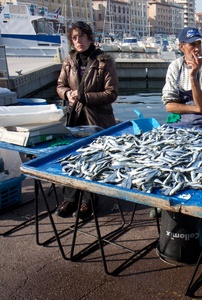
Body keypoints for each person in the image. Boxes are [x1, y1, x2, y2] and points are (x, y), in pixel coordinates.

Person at [55, 21, 119, 219]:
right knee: (71, 157)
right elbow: (60, 85)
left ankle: (88, 202)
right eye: (74, 38)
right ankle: (70, 199)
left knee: (94, 159)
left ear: (90, 38)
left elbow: (111, 93)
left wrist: (83, 96)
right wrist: (67, 95)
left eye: (81, 36)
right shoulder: (69, 60)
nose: (78, 41)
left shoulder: (104, 60)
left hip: (98, 119)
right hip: (75, 117)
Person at [162, 27, 202, 131]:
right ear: (181, 47)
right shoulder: (175, 66)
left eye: (199, 43)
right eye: (192, 45)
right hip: (178, 121)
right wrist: (197, 109)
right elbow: (169, 106)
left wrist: (193, 76)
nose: (197, 48)